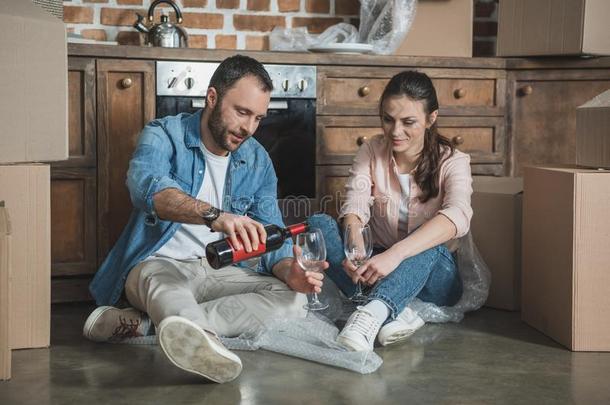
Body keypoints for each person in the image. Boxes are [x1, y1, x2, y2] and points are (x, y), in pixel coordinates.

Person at [82, 55, 326, 383]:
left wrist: (289, 272)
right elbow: (146, 189)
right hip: (158, 265)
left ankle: (149, 325)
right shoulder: (162, 134)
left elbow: (271, 236)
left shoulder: (257, 160)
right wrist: (215, 217)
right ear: (212, 97)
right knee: (166, 287)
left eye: (258, 118)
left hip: (220, 272)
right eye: (241, 112)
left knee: (294, 301)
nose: (249, 128)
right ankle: (204, 341)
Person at [308, 70, 473, 352]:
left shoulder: (454, 160)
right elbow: (355, 206)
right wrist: (355, 252)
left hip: (434, 276)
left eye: (408, 122)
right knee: (318, 222)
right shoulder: (372, 150)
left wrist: (395, 256)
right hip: (378, 266)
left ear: (431, 118)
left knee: (428, 240)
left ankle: (371, 313)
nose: (395, 132)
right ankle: (397, 309)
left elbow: (458, 215)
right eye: (388, 119)